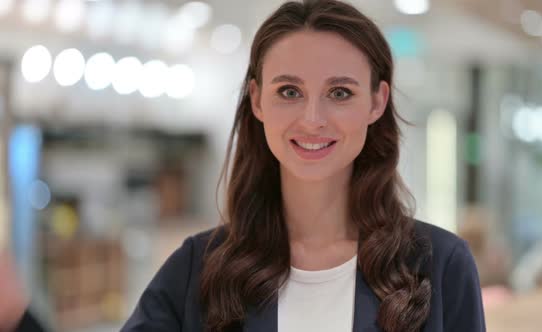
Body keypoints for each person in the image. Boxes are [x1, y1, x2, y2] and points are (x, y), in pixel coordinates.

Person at [122, 1, 485, 331]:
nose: (312, 120)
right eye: (289, 92)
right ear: (257, 100)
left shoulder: (441, 267)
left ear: (377, 102)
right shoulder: (196, 270)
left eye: (340, 93)